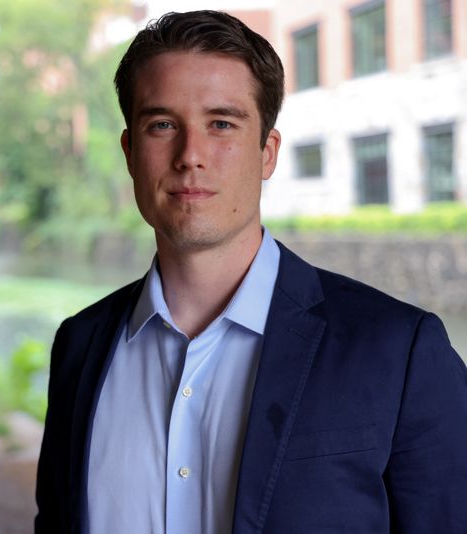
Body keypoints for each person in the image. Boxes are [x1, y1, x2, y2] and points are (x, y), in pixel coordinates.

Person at [34, 9, 467, 534]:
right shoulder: (79, 347)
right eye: (162, 125)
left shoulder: (401, 351)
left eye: (221, 123)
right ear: (130, 152)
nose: (190, 155)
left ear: (268, 152)